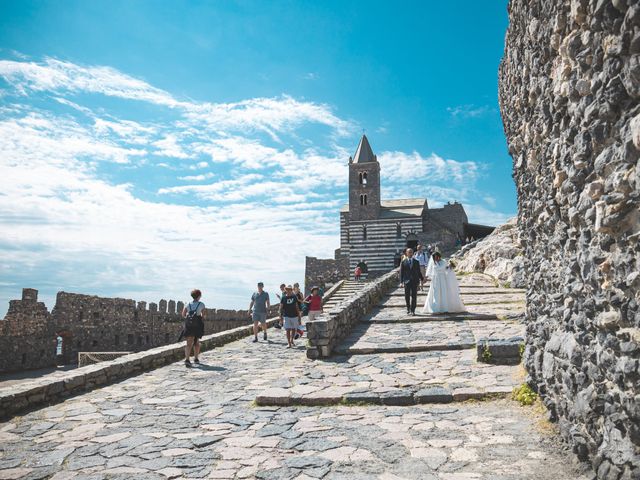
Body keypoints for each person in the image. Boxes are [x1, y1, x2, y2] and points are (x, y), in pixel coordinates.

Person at [181, 289, 205, 366]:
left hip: (189, 325)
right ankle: (196, 358)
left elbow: (183, 314)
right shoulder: (201, 304)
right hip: (197, 324)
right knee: (196, 342)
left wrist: (190, 318)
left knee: (188, 343)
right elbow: (203, 315)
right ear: (199, 296)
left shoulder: (187, 304)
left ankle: (187, 359)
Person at [399, 248, 424, 315]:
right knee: (407, 296)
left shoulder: (416, 261)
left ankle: (413, 310)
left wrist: (422, 278)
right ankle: (408, 308)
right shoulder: (403, 262)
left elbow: (418, 272)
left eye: (411, 252)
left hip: (414, 281)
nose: (410, 253)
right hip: (407, 281)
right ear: (406, 253)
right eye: (409, 252)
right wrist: (401, 282)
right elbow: (401, 273)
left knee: (414, 296)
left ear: (413, 253)